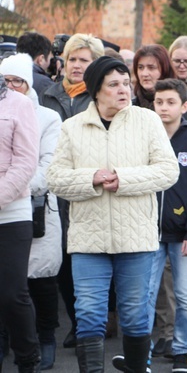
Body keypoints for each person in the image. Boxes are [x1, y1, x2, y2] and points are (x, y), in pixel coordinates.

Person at [47, 56, 180, 372]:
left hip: (136, 239)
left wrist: (124, 178)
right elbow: (54, 177)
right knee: (90, 314)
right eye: (114, 85)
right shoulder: (72, 127)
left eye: (126, 83)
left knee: (134, 315)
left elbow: (168, 170)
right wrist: (90, 177)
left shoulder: (147, 121)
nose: (124, 90)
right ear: (96, 91)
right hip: (88, 241)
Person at [41, 33, 106, 349]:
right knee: (63, 261)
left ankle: (95, 321)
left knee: (88, 258)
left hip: (91, 186)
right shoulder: (47, 94)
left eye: (84, 60)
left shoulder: (100, 97)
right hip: (56, 190)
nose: (77, 65)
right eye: (73, 59)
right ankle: (79, 322)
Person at [143, 79, 187, 373]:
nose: (163, 108)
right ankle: (140, 353)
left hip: (184, 235)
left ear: (184, 106)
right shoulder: (144, 138)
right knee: (144, 295)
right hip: (147, 235)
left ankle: (182, 352)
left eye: (170, 102)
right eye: (159, 102)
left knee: (185, 295)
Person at [0, 54, 63, 370]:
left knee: (23, 287)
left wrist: (6, 193)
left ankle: (36, 349)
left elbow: (35, 164)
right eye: (7, 78)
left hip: (22, 209)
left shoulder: (34, 112)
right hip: (12, 199)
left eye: (17, 80)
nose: (11, 85)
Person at [0, 72, 41, 372]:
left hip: (12, 212)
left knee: (13, 293)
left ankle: (28, 360)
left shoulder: (18, 104)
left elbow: (26, 161)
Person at [132, 44, 187, 137]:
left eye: (151, 67)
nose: (144, 73)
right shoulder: (131, 106)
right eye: (140, 67)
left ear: (165, 69)